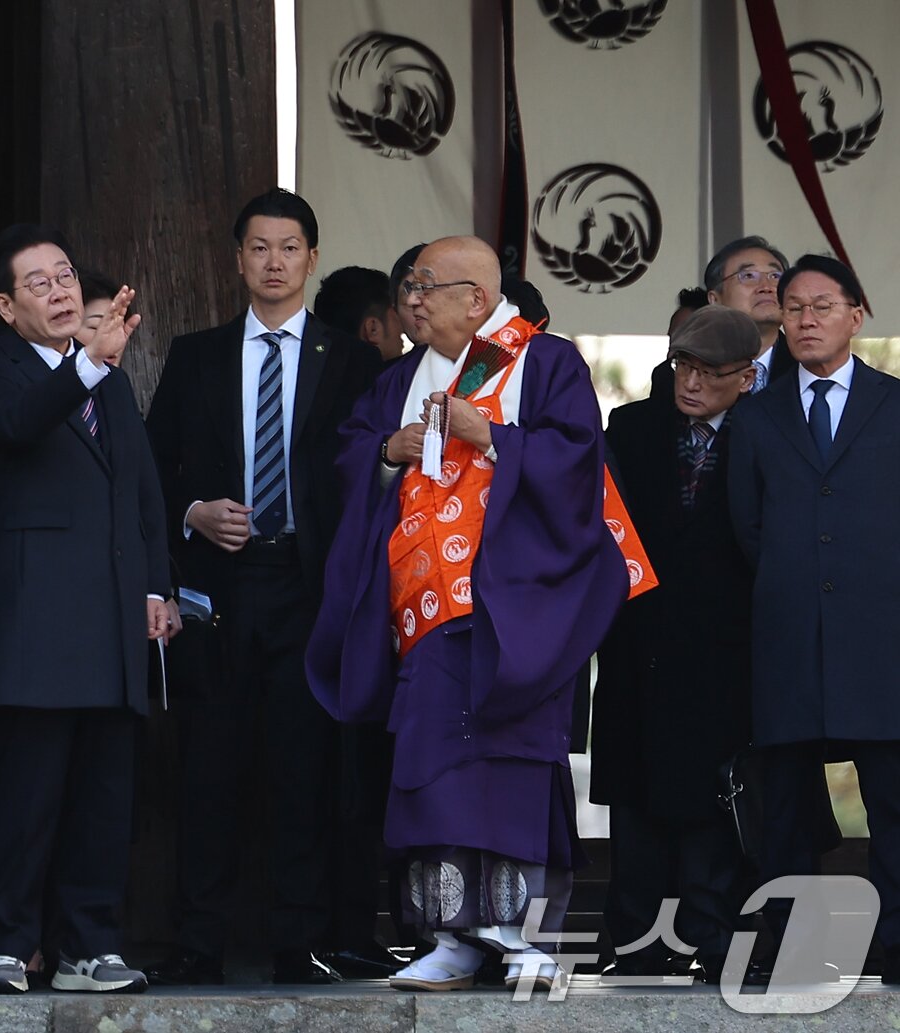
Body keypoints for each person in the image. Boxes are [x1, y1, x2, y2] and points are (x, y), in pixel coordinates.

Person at [307, 235, 630, 992]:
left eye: (425, 286)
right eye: (408, 286)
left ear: (477, 300)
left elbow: (580, 461)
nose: (409, 300)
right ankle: (451, 934)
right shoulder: (397, 380)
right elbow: (349, 453)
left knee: (514, 763)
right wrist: (391, 448)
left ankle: (525, 940)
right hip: (424, 608)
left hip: (517, 603)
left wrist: (492, 435)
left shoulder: (545, 363)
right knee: (434, 764)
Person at [146, 188, 382, 986]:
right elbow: (153, 468)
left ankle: (298, 940)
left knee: (303, 768)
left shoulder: (350, 360)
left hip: (309, 587)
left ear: (312, 258)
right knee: (207, 768)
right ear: (236, 258)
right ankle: (196, 939)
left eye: (289, 248)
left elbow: (365, 474)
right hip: (219, 589)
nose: (274, 262)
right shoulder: (196, 354)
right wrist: (193, 513)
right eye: (259, 247)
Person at [0, 224, 169, 995]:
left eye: (65, 276)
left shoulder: (106, 378)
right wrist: (89, 361)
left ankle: (90, 945)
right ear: (8, 307)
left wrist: (156, 587)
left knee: (103, 794)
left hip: (114, 619)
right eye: (39, 283)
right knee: (26, 793)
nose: (60, 290)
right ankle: (5, 944)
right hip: (37, 621)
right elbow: (17, 425)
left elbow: (139, 488)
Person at [728, 254, 900, 984]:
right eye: (793, 307)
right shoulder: (757, 412)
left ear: (857, 314)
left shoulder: (894, 404)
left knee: (893, 804)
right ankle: (794, 949)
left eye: (821, 305)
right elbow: (746, 523)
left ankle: (894, 946)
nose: (805, 319)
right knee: (787, 808)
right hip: (788, 636)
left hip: (881, 638)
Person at [592, 306, 759, 983]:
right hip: (641, 641)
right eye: (682, 367)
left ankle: (714, 938)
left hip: (729, 647)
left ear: (746, 377)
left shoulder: (767, 431)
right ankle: (630, 939)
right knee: (635, 800)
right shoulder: (630, 427)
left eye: (709, 373)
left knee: (717, 801)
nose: (691, 384)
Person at [652, 237, 792, 400]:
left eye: (775, 276)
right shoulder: (678, 373)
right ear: (715, 300)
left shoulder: (809, 364)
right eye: (748, 276)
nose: (767, 287)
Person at [313, 265, 405, 362]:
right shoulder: (405, 375)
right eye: (396, 312)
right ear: (373, 329)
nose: (403, 328)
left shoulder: (315, 373)